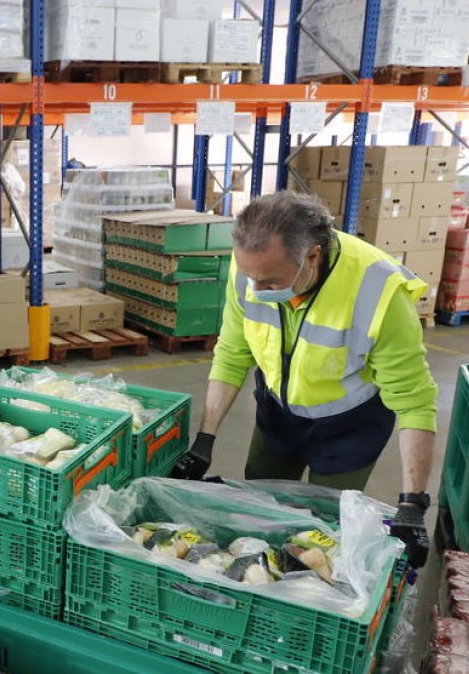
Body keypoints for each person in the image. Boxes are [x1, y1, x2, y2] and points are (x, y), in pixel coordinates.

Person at [171, 191, 436, 567]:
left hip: (350, 426)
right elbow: (232, 353)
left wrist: (412, 503)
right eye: (251, 278)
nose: (257, 291)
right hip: (278, 412)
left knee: (323, 532)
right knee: (259, 510)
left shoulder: (378, 292)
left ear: (312, 256)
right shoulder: (252, 267)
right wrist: (204, 441)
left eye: (269, 280)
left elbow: (414, 402)